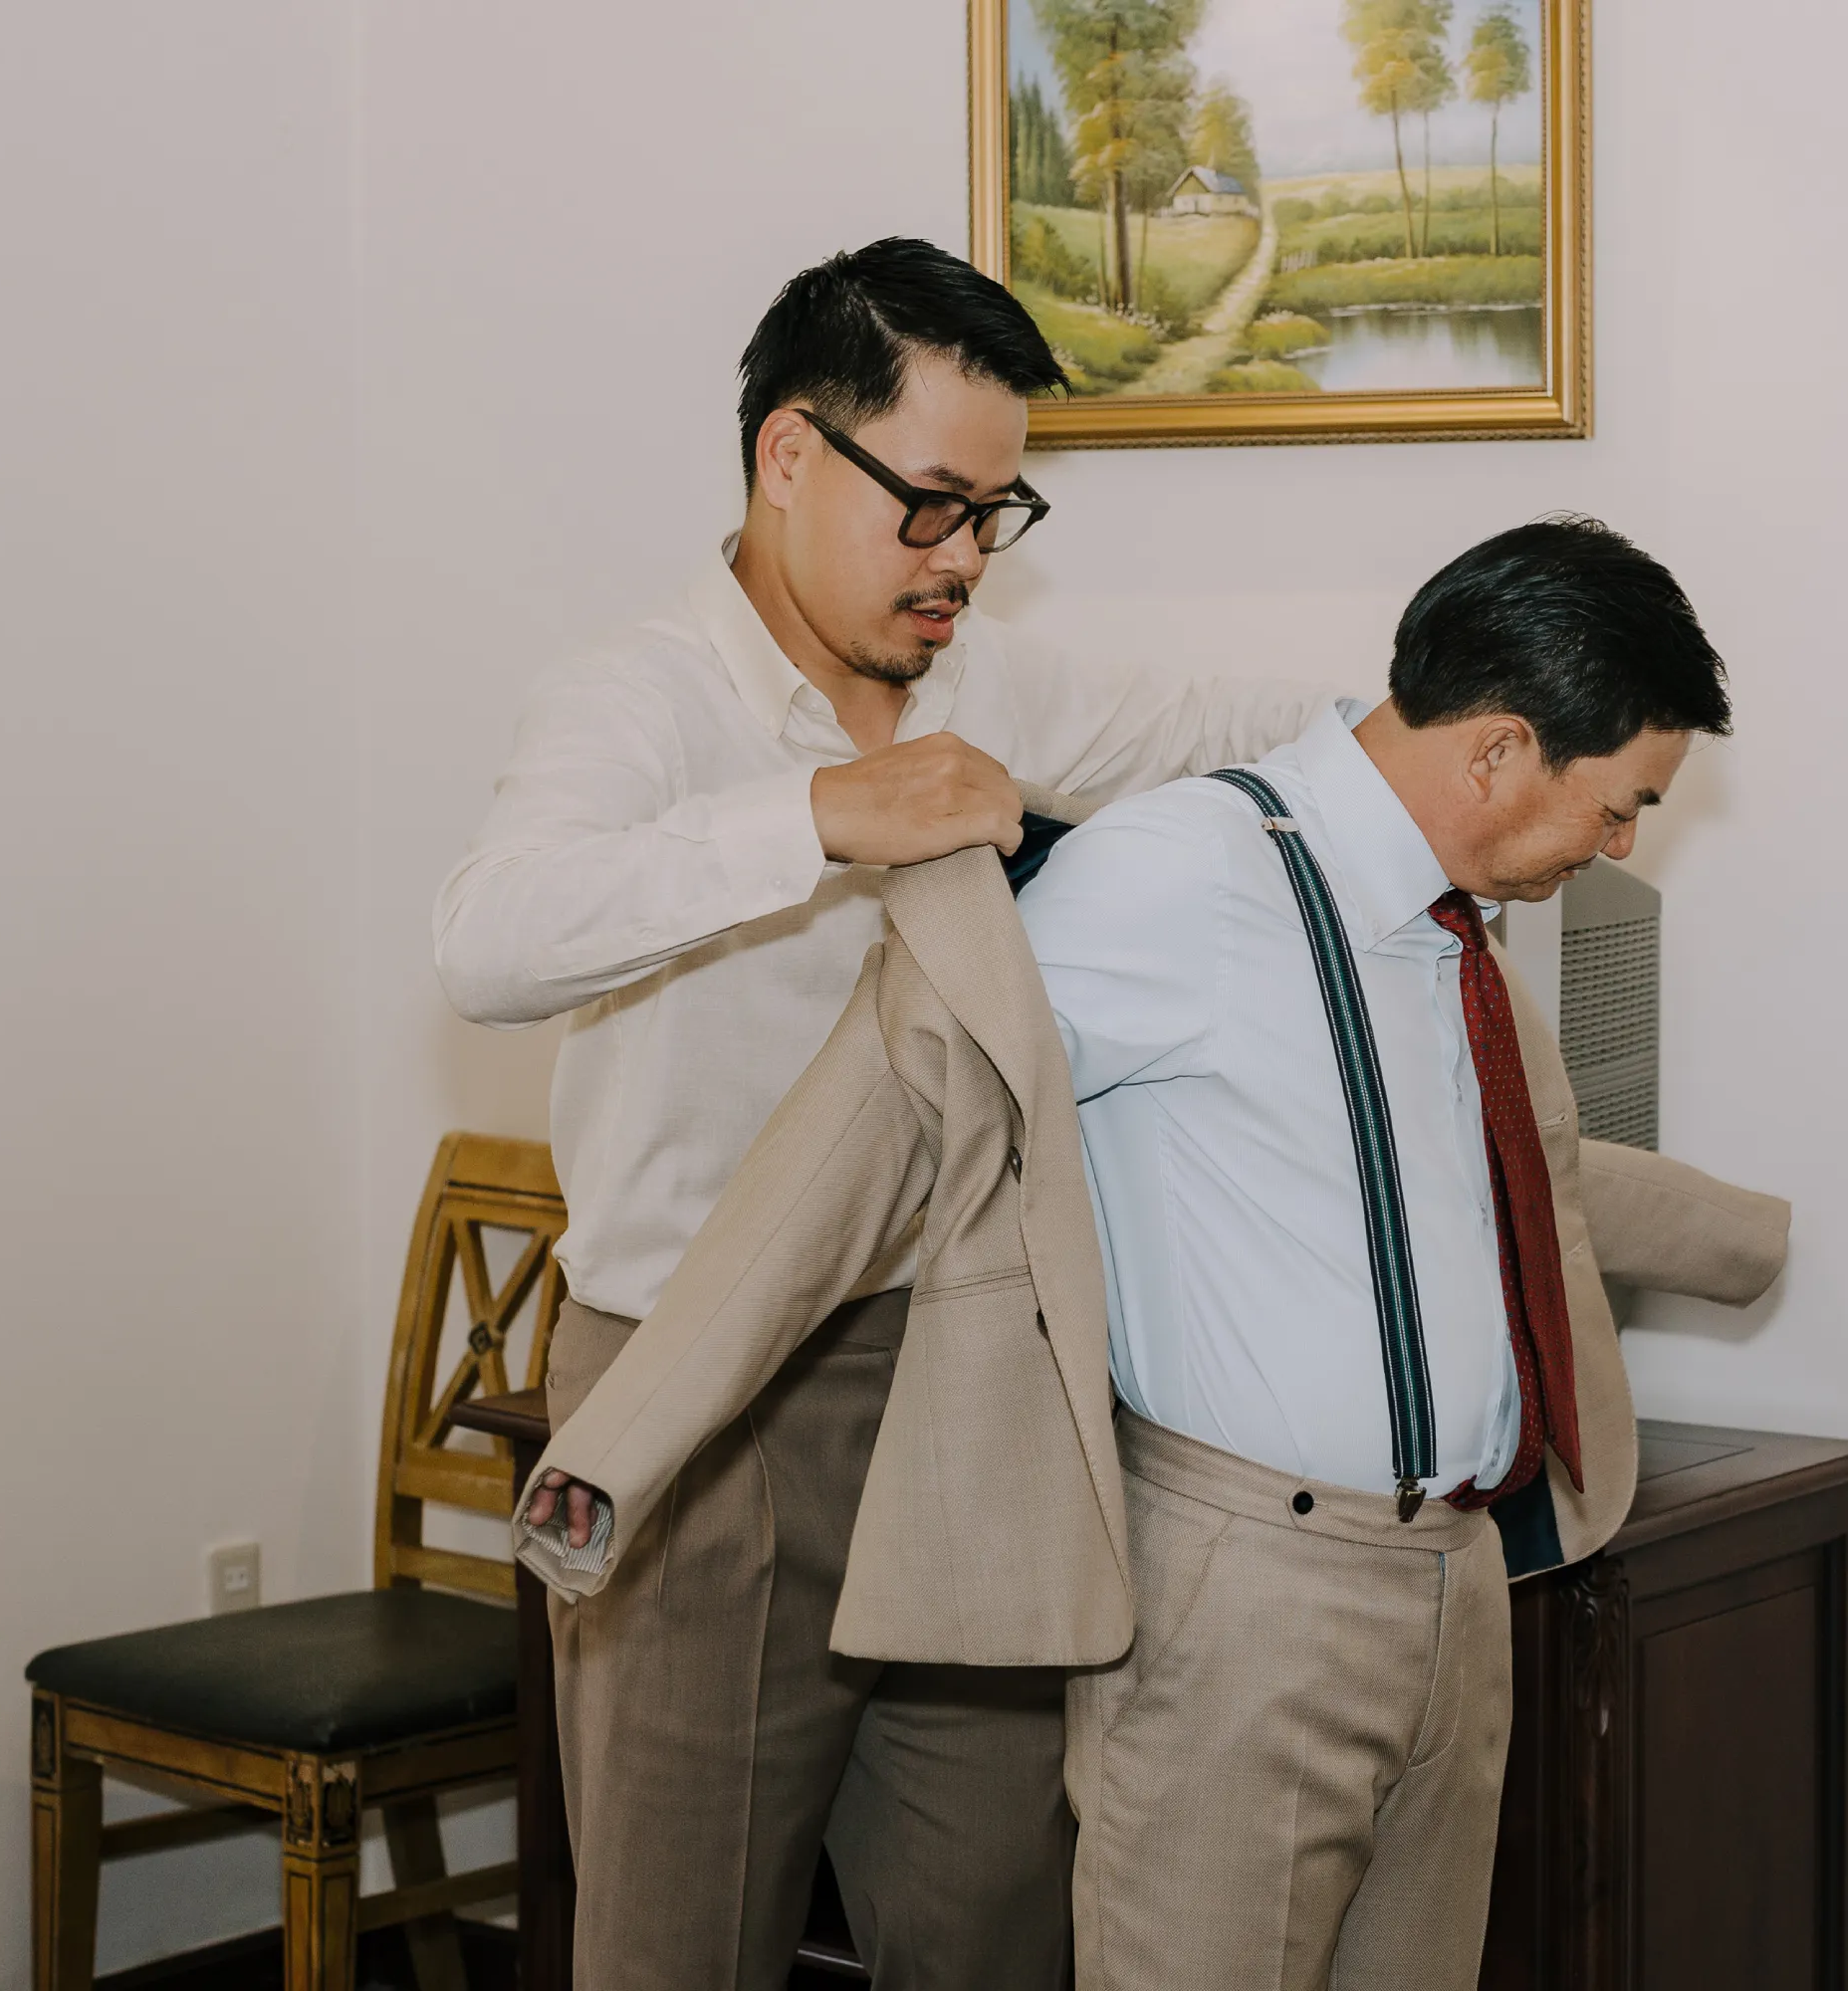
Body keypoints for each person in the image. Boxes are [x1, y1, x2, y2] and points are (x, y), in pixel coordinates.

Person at [437, 236, 1330, 1991]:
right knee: (675, 1948)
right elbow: (490, 940)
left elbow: (1232, 728)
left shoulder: (998, 685)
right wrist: (827, 817)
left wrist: (1456, 713)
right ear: (789, 456)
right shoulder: (634, 700)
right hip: (702, 1392)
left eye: (999, 515)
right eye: (931, 506)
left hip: (963, 1393)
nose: (966, 564)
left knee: (997, 1929)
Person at [1015, 516, 1782, 1990]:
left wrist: (1762, 1242)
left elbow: (1514, 1179)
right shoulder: (1175, 879)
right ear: (1499, 750)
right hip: (1246, 1606)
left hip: (1455, 1588)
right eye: (1620, 805)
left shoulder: (1450, 926)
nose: (1623, 847)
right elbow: (926, 1133)